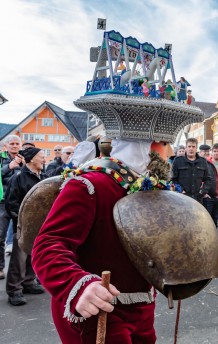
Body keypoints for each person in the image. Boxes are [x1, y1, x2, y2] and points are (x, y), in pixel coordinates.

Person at [32, 139, 157, 343]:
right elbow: (48, 245)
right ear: (148, 147)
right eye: (164, 143)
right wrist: (78, 285)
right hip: (97, 310)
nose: (169, 151)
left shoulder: (151, 187)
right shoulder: (88, 184)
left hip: (142, 306)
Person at [5, 147, 47, 306]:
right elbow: (11, 203)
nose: (44, 160)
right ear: (31, 159)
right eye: (41, 157)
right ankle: (14, 290)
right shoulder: (19, 177)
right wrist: (22, 221)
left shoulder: (43, 176)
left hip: (38, 225)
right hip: (22, 226)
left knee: (32, 255)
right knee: (18, 258)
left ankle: (29, 283)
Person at [0, 135, 24, 280]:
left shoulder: (25, 158)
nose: (14, 146)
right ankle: (0, 268)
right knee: (0, 236)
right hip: (3, 202)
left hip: (20, 202)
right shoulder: (2, 158)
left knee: (20, 239)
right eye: (12, 144)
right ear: (6, 146)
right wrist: (9, 166)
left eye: (17, 144)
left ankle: (20, 275)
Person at [172, 138, 212, 203]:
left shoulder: (203, 161)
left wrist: (202, 192)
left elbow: (208, 179)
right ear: (186, 148)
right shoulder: (178, 161)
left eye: (193, 147)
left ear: (196, 149)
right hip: (181, 198)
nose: (191, 148)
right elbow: (173, 179)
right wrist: (180, 190)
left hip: (197, 199)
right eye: (189, 146)